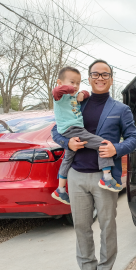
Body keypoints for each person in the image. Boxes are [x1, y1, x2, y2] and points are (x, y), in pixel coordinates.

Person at [50, 60, 136, 270]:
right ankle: (87, 269)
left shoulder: (121, 109)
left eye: (105, 74)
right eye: (96, 74)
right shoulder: (77, 102)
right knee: (81, 225)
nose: (100, 78)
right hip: (77, 175)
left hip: (105, 177)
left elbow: (133, 139)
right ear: (89, 78)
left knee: (107, 225)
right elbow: (55, 129)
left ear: (111, 78)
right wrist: (66, 141)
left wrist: (116, 149)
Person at [50, 67, 121, 205]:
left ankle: (60, 190)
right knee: (103, 144)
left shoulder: (74, 96)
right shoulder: (60, 97)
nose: (75, 86)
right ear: (60, 82)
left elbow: (86, 93)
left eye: (78, 83)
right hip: (73, 130)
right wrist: (70, 89)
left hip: (70, 131)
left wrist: (81, 92)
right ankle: (106, 178)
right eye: (72, 82)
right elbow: (56, 91)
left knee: (67, 159)